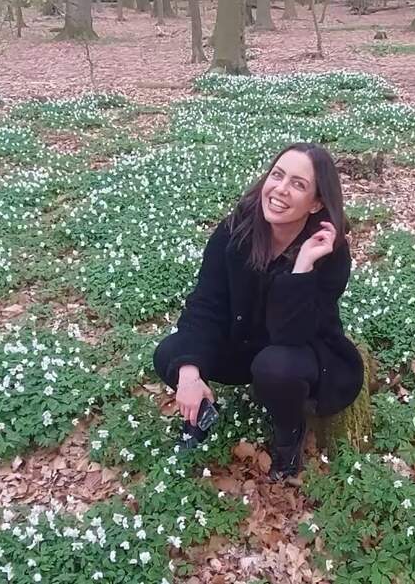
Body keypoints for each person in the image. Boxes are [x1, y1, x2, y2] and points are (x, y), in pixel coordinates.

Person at [153, 142, 364, 481]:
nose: (280, 189)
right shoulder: (235, 231)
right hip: (242, 344)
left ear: (316, 203)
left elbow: (291, 335)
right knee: (171, 354)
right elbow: (206, 303)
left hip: (299, 354)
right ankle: (201, 412)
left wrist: (302, 268)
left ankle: (289, 433)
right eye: (277, 175)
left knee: (274, 366)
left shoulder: (329, 253)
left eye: (298, 184)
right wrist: (190, 374)